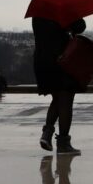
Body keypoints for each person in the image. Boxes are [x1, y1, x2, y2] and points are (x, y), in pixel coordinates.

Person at [32, 16, 85, 155]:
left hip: (42, 60)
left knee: (57, 98)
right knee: (66, 101)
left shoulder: (38, 13)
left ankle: (47, 134)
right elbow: (80, 26)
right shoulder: (63, 10)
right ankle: (63, 144)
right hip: (61, 58)